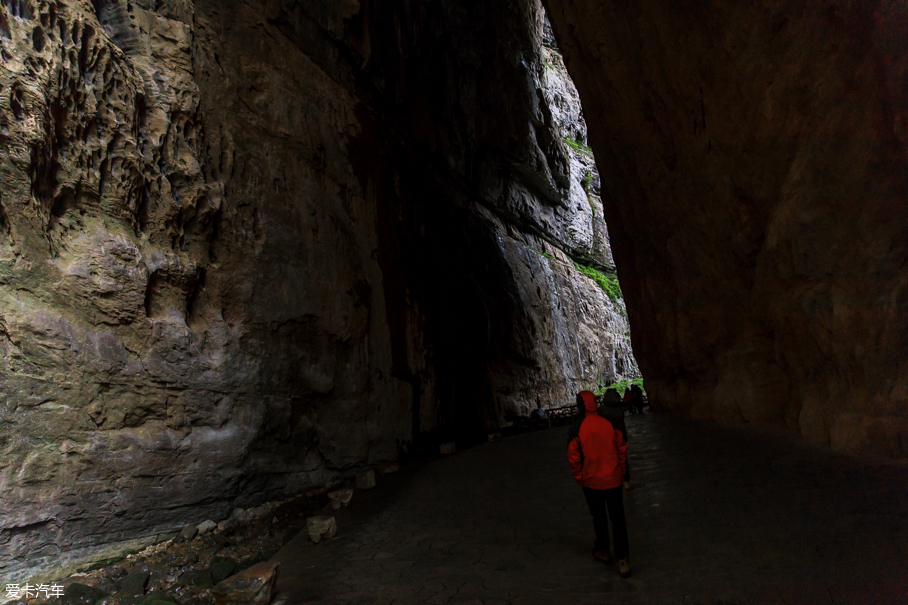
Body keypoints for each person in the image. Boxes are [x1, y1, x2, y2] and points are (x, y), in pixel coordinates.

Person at [567, 390, 632, 578]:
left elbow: (574, 458)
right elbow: (621, 449)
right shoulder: (609, 424)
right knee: (618, 519)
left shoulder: (576, 429)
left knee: (599, 518)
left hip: (591, 482)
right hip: (613, 479)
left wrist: (580, 478)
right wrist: (621, 472)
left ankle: (603, 550)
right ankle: (623, 561)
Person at [599, 388, 631, 490]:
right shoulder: (619, 408)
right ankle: (626, 481)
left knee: (609, 458)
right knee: (623, 458)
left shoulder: (602, 410)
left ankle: (611, 480)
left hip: (608, 437)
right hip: (621, 435)